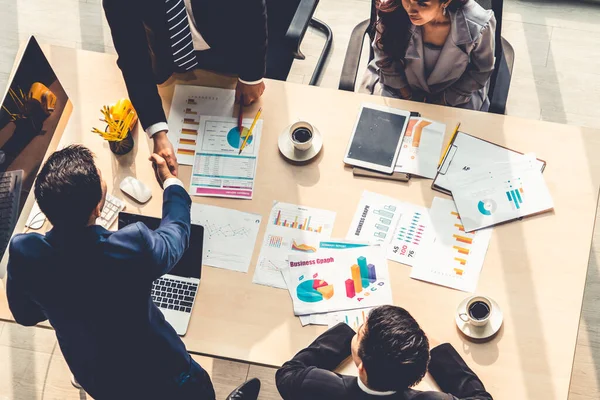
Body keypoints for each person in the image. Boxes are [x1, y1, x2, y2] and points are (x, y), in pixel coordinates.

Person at [6, 145, 260, 400]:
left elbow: (26, 315)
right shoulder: (130, 247)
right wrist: (171, 183)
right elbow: (176, 236)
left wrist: (66, 303)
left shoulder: (25, 253)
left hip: (100, 381)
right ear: (97, 208)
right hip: (167, 379)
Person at [102, 0, 268, 174]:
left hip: (228, 50)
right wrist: (157, 132)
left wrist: (252, 77)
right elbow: (133, 59)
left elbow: (253, 9)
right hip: (171, 62)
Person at [276, 305, 493, 399]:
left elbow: (286, 374)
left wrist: (344, 335)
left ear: (361, 369)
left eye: (361, 331)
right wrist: (435, 351)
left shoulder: (318, 386)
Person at [362, 0, 496, 111]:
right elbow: (385, 58)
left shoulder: (479, 24)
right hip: (396, 85)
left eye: (422, 3)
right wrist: (408, 96)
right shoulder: (392, 8)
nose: (411, 9)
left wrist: (443, 101)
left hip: (456, 95)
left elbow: (481, 71)